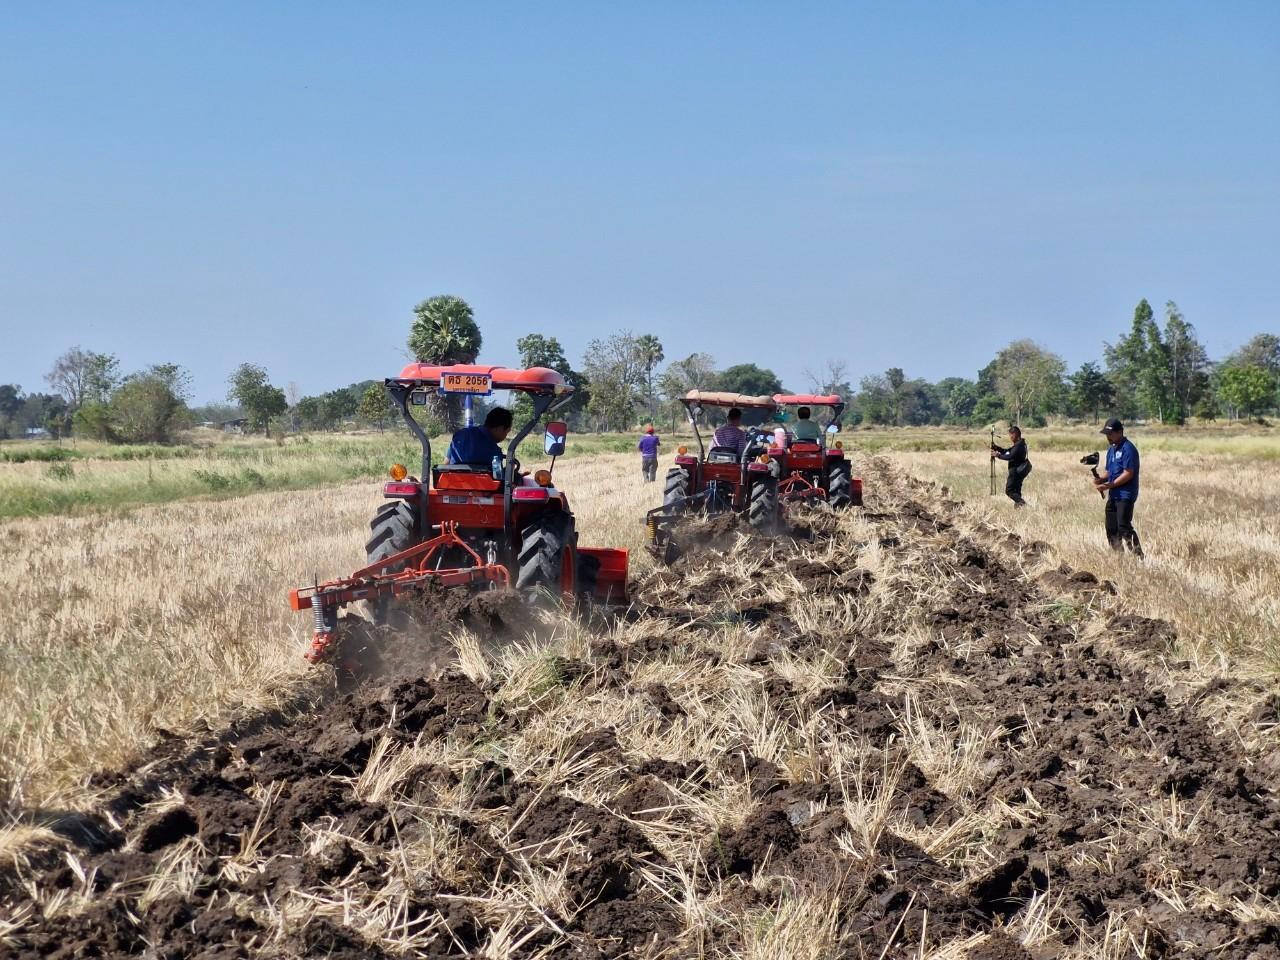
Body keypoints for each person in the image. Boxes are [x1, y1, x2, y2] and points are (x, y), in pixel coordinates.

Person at [1094, 418, 1143, 557]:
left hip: (1125, 495)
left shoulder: (1128, 449)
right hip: (1114, 495)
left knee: (1124, 526)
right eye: (1106, 434)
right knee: (1111, 528)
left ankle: (1138, 556)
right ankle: (1118, 557)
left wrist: (1111, 484)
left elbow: (1128, 473)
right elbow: (1110, 471)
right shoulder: (1111, 450)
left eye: (1110, 434)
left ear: (1120, 432)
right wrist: (1101, 480)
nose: (1108, 437)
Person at [446, 407, 513, 465]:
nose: (505, 436)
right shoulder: (495, 454)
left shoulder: (460, 436)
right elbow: (498, 476)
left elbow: (446, 463)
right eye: (507, 432)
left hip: (453, 479)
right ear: (499, 428)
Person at [991, 425, 1032, 507]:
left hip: (1016, 472)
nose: (1010, 437)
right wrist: (997, 448)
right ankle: (1019, 508)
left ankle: (1022, 503)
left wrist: (997, 455)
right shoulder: (1019, 444)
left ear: (1015, 434)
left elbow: (1010, 456)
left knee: (1009, 491)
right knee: (1016, 491)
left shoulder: (1019, 445)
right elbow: (1007, 451)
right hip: (1018, 471)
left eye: (1011, 435)